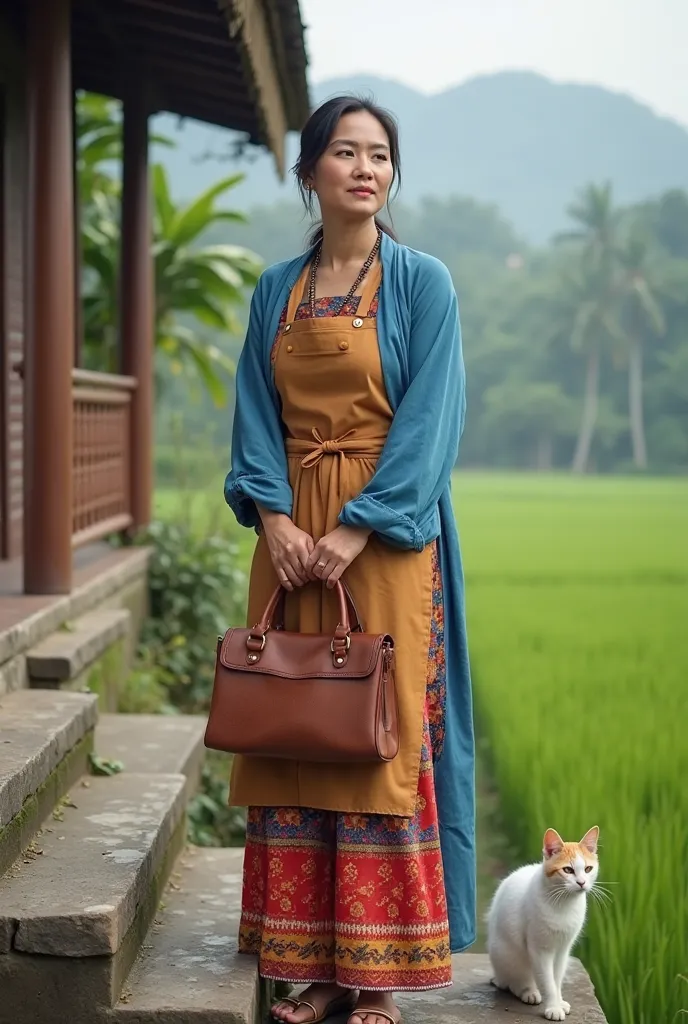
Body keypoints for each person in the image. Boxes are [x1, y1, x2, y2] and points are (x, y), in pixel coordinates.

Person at [224, 95, 475, 1024]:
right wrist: (277, 522)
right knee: (298, 729)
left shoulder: (422, 284)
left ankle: (376, 977)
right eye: (345, 152)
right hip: (289, 543)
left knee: (379, 733)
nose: (365, 168)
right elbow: (254, 413)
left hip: (385, 544)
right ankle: (314, 964)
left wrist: (356, 529)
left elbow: (431, 421)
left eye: (380, 154)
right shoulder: (276, 291)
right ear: (309, 173)